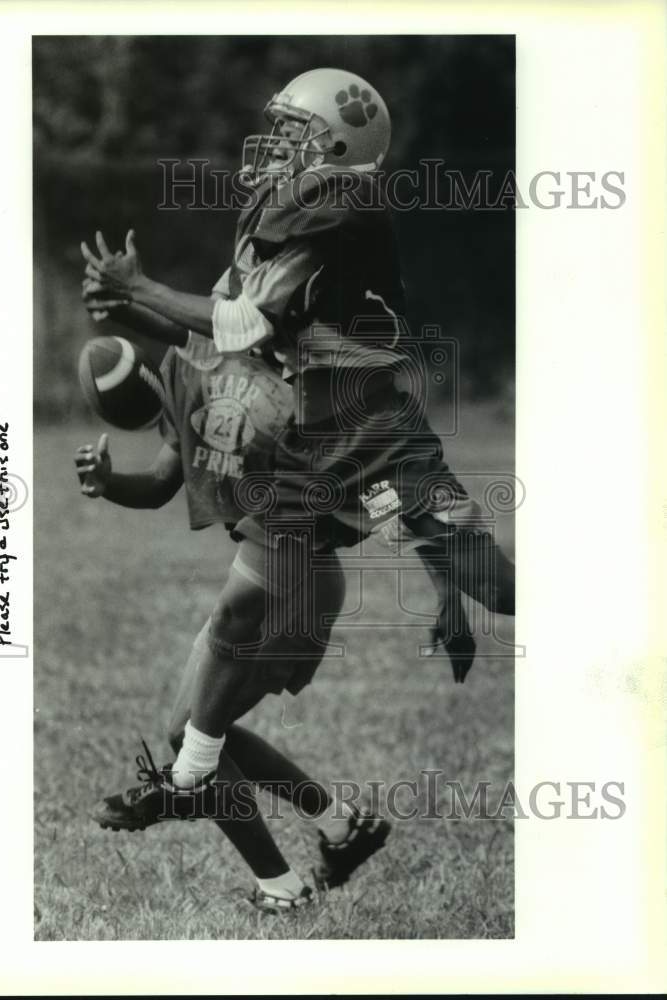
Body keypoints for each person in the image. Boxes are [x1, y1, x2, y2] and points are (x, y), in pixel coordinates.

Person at [80, 67, 514, 906]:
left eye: (292, 134)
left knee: (496, 587)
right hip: (322, 453)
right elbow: (221, 330)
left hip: (370, 440)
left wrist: (136, 294)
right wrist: (132, 311)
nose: (273, 147)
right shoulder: (275, 238)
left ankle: (198, 780)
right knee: (190, 721)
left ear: (336, 146)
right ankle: (294, 842)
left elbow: (240, 327)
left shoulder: (337, 209)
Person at [75, 338, 390, 911]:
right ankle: (342, 826)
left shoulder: (241, 384)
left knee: (199, 742)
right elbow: (157, 483)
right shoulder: (191, 393)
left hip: (290, 581)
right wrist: (109, 481)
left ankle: (281, 885)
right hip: (277, 573)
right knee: (189, 731)